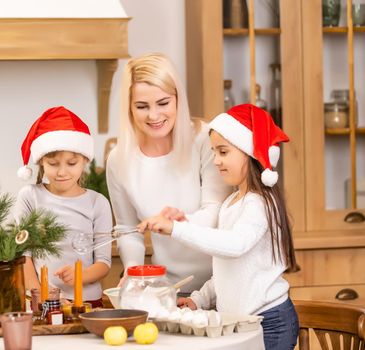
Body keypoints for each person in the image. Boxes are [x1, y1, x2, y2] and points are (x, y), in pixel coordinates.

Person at [138, 104, 299, 350]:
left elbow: (235, 246)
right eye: (214, 152)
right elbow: (226, 270)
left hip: (270, 321)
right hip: (242, 322)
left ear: (249, 152)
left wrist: (176, 229)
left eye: (223, 152)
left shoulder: (259, 204)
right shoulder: (231, 203)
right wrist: (199, 299)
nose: (216, 161)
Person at [105, 53, 230, 294]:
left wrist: (176, 223)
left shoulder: (205, 140)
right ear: (129, 108)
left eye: (163, 103)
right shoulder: (119, 160)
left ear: (178, 100)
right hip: (170, 289)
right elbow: (127, 229)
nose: (154, 116)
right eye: (142, 106)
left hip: (221, 284)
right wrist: (133, 271)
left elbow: (216, 213)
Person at [14, 106, 112, 308]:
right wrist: (40, 295)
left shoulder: (97, 202)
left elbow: (104, 263)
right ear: (41, 162)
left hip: (87, 302)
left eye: (71, 163)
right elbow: (23, 256)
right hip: (43, 301)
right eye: (53, 163)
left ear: (85, 160)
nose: (62, 172)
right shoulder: (30, 197)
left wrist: (80, 276)